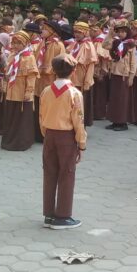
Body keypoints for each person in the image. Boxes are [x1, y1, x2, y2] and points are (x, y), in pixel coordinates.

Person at [38, 55, 87, 230]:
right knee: (66, 175)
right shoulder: (74, 93)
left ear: (53, 71)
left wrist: (46, 133)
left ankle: (49, 214)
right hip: (66, 137)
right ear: (73, 72)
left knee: (49, 173)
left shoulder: (46, 91)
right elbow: (78, 121)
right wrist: (81, 143)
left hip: (49, 135)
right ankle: (63, 216)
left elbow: (41, 116)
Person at [2, 31, 39, 150]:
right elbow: (7, 71)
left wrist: (29, 91)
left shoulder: (29, 57)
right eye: (14, 43)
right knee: (11, 116)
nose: (16, 46)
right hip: (11, 91)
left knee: (21, 118)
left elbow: (32, 76)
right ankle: (9, 140)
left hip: (22, 92)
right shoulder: (12, 55)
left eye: (19, 43)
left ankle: (21, 142)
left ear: (25, 44)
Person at [104, 20, 136, 131]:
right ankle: (114, 121)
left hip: (124, 75)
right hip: (114, 74)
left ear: (128, 32)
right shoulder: (116, 43)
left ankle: (122, 123)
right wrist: (110, 33)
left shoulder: (131, 45)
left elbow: (133, 62)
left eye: (123, 32)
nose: (121, 34)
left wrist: (131, 76)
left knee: (122, 99)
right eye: (119, 32)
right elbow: (105, 45)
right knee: (114, 99)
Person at [67, 22, 98, 127]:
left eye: (79, 32)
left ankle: (81, 125)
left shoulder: (89, 45)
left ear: (85, 32)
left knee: (81, 104)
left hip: (82, 80)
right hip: (71, 79)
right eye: (75, 32)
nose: (77, 34)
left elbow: (91, 66)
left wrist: (87, 82)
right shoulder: (74, 44)